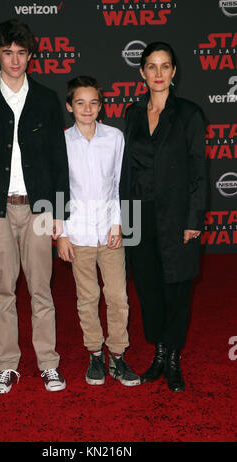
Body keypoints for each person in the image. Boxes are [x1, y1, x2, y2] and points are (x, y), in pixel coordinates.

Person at [0, 19, 70, 394]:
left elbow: (59, 159)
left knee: (42, 289)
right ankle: (7, 365)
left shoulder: (45, 99)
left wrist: (59, 212)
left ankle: (48, 364)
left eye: (21, 53)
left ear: (30, 56)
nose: (14, 60)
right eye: (7, 52)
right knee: (3, 290)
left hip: (40, 210)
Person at [119, 42, 206, 392]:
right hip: (139, 215)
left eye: (164, 66)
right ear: (141, 73)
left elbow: (199, 169)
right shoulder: (132, 114)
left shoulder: (189, 114)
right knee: (148, 287)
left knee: (177, 288)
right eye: (151, 67)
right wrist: (124, 218)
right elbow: (126, 170)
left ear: (174, 72)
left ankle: (173, 358)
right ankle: (158, 351)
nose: (158, 73)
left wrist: (193, 220)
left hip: (176, 216)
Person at [57, 76, 140, 387]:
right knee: (87, 297)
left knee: (118, 296)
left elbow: (123, 184)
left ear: (101, 105)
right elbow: (58, 189)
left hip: (110, 232)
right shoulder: (61, 141)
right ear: (70, 106)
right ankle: (94, 354)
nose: (87, 108)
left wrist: (121, 224)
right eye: (80, 102)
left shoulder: (115, 137)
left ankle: (117, 356)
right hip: (77, 233)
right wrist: (60, 234)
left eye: (93, 102)